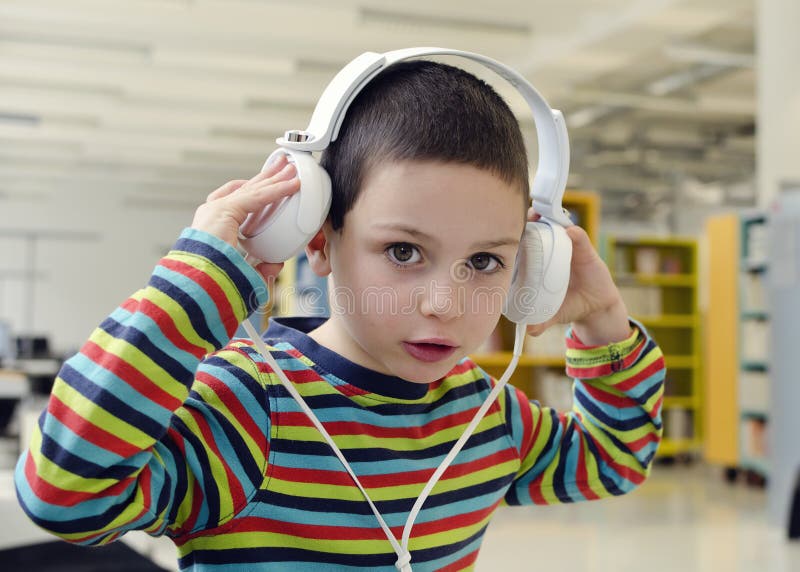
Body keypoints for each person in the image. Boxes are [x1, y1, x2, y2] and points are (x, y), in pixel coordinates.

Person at [15, 59, 665, 571]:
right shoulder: (252, 407)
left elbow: (613, 461)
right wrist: (193, 292)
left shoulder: (486, 416)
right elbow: (64, 496)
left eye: (486, 261)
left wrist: (605, 319)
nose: (446, 303)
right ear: (319, 242)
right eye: (404, 250)